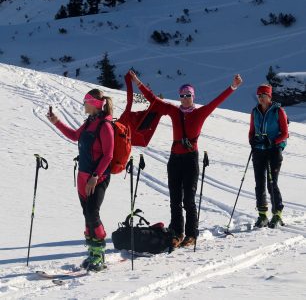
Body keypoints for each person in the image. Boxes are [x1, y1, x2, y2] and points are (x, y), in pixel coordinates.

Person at [129, 70, 243, 247]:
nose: (184, 98)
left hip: (190, 160)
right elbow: (153, 100)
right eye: (182, 95)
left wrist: (233, 87)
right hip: (175, 159)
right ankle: (177, 233)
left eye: (188, 95)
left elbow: (217, 101)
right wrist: (137, 82)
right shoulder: (174, 111)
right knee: (174, 199)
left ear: (193, 96)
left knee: (188, 200)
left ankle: (191, 234)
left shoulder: (200, 113)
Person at [47, 89, 114, 271]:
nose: (83, 104)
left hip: (97, 178)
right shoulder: (89, 123)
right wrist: (57, 122)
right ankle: (92, 253)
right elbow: (74, 136)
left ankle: (99, 254)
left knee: (93, 213)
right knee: (87, 215)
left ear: (93, 103)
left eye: (86, 101)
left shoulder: (105, 126)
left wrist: (95, 177)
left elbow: (108, 155)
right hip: (83, 177)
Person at [249, 84, 288, 229]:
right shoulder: (255, 112)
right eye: (259, 95)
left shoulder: (278, 111)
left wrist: (272, 141)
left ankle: (277, 214)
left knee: (272, 182)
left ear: (270, 96)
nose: (261, 97)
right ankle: (262, 215)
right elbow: (251, 131)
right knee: (259, 183)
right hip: (259, 150)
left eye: (264, 94)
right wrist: (252, 140)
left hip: (274, 151)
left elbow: (285, 133)